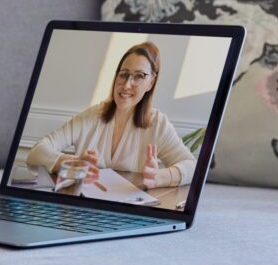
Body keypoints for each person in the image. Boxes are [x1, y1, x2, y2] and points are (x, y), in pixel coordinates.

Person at [26, 41, 196, 190]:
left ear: (151, 82)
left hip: (130, 211)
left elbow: (192, 166)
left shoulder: (158, 124)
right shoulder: (90, 116)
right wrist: (73, 163)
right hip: (86, 208)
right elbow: (36, 152)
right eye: (123, 74)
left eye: (139, 76)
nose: (127, 85)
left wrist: (159, 177)